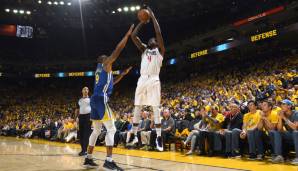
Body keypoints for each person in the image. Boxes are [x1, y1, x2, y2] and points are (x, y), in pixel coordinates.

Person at [83, 24, 134, 170]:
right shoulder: (105, 64)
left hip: (94, 99)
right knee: (111, 129)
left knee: (97, 130)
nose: (110, 59)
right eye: (107, 58)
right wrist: (127, 36)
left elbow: (112, 82)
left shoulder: (100, 71)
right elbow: (117, 51)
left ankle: (88, 158)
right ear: (103, 60)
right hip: (100, 100)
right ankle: (108, 161)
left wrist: (122, 75)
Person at [130, 7, 166, 151]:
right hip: (142, 79)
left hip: (154, 79)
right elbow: (133, 36)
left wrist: (153, 16)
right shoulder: (144, 50)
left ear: (156, 43)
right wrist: (142, 22)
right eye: (150, 39)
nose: (152, 39)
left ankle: (158, 137)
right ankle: (133, 135)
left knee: (155, 108)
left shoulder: (161, 51)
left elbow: (158, 32)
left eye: (154, 39)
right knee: (137, 106)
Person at [270, 99, 298, 164]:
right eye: (281, 104)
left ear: (289, 106)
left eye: (283, 104)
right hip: (291, 135)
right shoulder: (283, 114)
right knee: (276, 132)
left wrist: (284, 118)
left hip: (296, 134)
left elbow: (295, 127)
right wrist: (280, 117)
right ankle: (279, 156)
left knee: (295, 132)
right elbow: (279, 129)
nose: (281, 106)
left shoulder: (296, 113)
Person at [76, 87, 92, 156]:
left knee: (86, 134)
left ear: (88, 91)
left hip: (88, 117)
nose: (85, 90)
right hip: (81, 117)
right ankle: (82, 149)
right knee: (81, 134)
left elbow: (93, 109)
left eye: (87, 89)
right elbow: (77, 109)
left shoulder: (91, 99)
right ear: (82, 91)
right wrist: (76, 117)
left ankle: (85, 150)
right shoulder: (79, 100)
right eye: (84, 89)